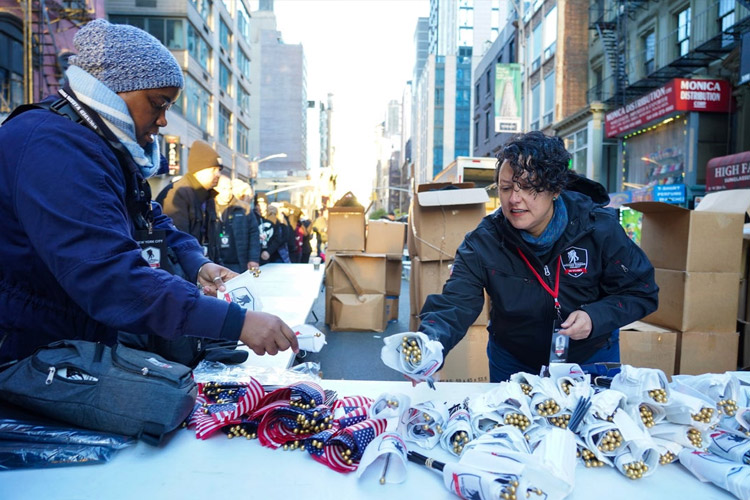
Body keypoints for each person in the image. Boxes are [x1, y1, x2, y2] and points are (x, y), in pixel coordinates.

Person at [0, 19, 297, 368]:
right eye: (158, 103)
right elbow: (108, 276)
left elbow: (148, 218)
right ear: (112, 90)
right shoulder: (53, 148)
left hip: (58, 338)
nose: (162, 121)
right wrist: (235, 322)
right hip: (20, 349)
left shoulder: (95, 144)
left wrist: (195, 261)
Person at [418, 131, 658, 382]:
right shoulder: (483, 242)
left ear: (554, 189)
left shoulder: (599, 229)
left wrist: (595, 317)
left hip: (590, 356)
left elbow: (642, 291)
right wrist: (430, 344)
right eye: (506, 188)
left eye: (528, 188)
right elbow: (455, 303)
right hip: (513, 360)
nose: (514, 199)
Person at [155, 140, 222, 264]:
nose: (218, 174)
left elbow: (213, 241)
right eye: (213, 169)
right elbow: (176, 242)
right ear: (198, 169)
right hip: (185, 270)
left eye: (219, 170)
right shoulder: (177, 194)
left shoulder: (208, 197)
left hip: (203, 267)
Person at [214, 175, 260, 273]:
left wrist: (253, 258)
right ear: (216, 188)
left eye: (230, 188)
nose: (227, 192)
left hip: (238, 262)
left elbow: (254, 234)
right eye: (223, 188)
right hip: (215, 262)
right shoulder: (209, 208)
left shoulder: (244, 208)